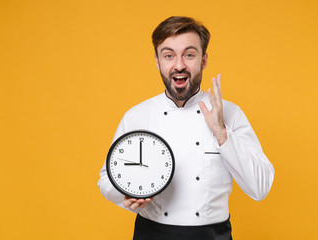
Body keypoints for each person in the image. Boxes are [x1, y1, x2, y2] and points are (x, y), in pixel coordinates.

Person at [98, 16, 275, 240]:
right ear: (157, 61)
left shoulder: (230, 114)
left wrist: (222, 133)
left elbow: (260, 188)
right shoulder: (137, 116)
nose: (179, 65)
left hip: (212, 235)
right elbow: (107, 179)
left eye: (189, 55)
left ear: (203, 60)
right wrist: (124, 195)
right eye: (169, 55)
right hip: (152, 234)